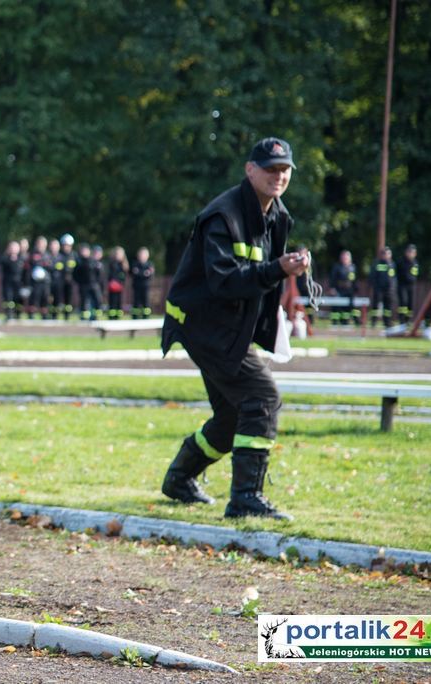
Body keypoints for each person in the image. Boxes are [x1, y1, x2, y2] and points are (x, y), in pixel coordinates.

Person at [159, 137, 307, 520]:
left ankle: (180, 479)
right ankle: (245, 496)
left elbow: (261, 275)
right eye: (271, 168)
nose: (278, 176)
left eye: (284, 169)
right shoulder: (223, 215)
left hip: (226, 325)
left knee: (230, 416)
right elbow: (224, 281)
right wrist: (278, 269)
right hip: (203, 324)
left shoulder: (276, 214)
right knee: (261, 396)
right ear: (250, 170)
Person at [329, 249, 357, 326]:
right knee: (336, 306)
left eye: (346, 257)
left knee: (348, 308)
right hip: (339, 290)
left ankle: (345, 322)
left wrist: (355, 289)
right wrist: (332, 288)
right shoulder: (337, 267)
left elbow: (354, 280)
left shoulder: (352, 267)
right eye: (343, 257)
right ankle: (334, 322)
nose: (345, 259)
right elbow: (333, 279)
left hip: (349, 291)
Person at [370, 246, 396, 328]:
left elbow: (394, 277)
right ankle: (373, 322)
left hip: (389, 289)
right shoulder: (377, 263)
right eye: (385, 253)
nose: (387, 255)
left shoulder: (392, 264)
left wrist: (393, 287)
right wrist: (375, 286)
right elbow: (373, 276)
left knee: (387, 307)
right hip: (379, 289)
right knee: (375, 306)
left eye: (388, 253)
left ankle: (387, 322)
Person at [0, 239, 25, 320]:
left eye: (15, 247)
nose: (13, 249)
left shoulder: (22, 258)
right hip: (7, 282)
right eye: (11, 247)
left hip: (19, 282)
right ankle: (9, 314)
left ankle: (18, 314)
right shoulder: (4, 258)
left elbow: (25, 272)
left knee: (18, 299)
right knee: (8, 299)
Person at [395, 243, 419, 324]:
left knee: (410, 303)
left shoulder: (415, 263)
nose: (410, 254)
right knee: (403, 302)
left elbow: (415, 275)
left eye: (412, 252)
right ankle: (402, 320)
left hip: (411, 286)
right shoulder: (401, 262)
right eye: (409, 252)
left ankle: (408, 320)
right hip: (402, 285)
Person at [130, 247, 155, 319]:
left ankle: (146, 317)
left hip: (146, 286)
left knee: (146, 302)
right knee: (136, 302)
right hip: (136, 286)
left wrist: (140, 273)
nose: (142, 256)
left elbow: (150, 274)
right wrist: (144, 273)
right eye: (141, 255)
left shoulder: (150, 264)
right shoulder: (135, 264)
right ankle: (135, 317)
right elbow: (134, 273)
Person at [106, 246, 129, 319]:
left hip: (120, 287)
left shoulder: (124, 264)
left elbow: (124, 276)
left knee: (119, 302)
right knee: (112, 302)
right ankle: (111, 317)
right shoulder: (111, 263)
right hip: (112, 287)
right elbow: (109, 275)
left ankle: (118, 317)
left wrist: (121, 282)